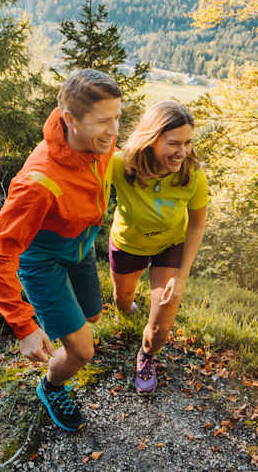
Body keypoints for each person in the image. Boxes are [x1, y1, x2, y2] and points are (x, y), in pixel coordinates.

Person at [0, 69, 121, 432]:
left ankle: (59, 321)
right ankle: (51, 386)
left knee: (92, 316)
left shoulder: (98, 143)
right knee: (83, 350)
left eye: (117, 117)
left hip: (79, 246)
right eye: (103, 121)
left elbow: (110, 163)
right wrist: (23, 326)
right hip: (43, 262)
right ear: (70, 120)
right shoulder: (37, 183)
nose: (113, 130)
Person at [107, 100, 209, 394]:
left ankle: (147, 355)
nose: (182, 152)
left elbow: (196, 224)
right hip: (128, 243)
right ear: (151, 139)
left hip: (170, 246)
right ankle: (126, 311)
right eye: (174, 143)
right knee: (123, 299)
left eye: (187, 143)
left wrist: (182, 277)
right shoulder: (120, 164)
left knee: (161, 324)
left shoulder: (192, 175)